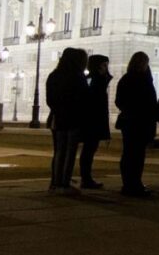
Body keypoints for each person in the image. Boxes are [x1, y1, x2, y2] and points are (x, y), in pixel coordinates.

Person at [46, 47, 89, 195]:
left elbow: (50, 100)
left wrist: (58, 110)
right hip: (74, 118)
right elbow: (84, 99)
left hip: (58, 118)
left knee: (59, 151)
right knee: (70, 152)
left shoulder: (54, 75)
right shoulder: (77, 77)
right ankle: (64, 183)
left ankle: (56, 182)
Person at [115, 51, 158, 197]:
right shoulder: (144, 80)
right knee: (137, 155)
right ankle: (134, 184)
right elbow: (151, 103)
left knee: (128, 153)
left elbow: (118, 101)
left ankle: (129, 184)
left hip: (128, 121)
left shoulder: (126, 79)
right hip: (141, 122)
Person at [79, 54, 112, 189]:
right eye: (104, 65)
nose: (106, 68)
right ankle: (86, 178)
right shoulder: (95, 80)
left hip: (94, 119)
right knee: (89, 151)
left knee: (89, 151)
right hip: (93, 120)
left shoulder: (95, 79)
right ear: (98, 66)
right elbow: (95, 102)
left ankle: (86, 177)